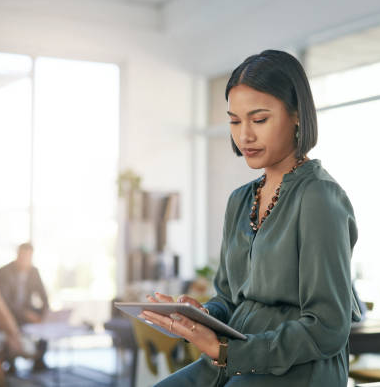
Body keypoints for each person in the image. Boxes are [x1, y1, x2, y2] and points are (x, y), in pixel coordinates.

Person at [141, 50, 360, 386]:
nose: (244, 135)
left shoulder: (319, 198)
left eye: (259, 120)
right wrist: (199, 315)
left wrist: (228, 351)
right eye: (234, 120)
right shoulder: (240, 200)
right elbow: (229, 300)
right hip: (232, 357)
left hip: (299, 366)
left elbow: (328, 326)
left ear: (297, 115)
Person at [0, 242, 49, 372]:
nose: (25, 259)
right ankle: (10, 362)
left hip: (27, 309)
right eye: (22, 256)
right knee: (9, 325)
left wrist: (45, 312)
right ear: (18, 255)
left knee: (44, 323)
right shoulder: (4, 271)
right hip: (8, 311)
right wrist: (25, 314)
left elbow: (43, 294)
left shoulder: (34, 271)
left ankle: (39, 359)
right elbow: (4, 301)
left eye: (28, 256)